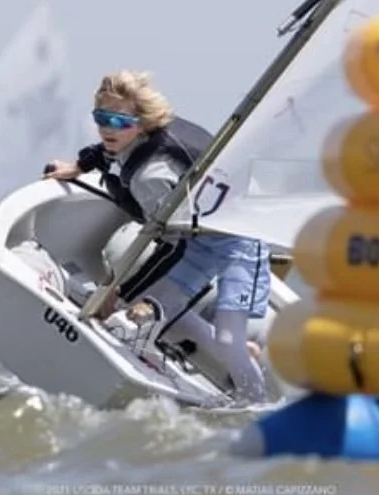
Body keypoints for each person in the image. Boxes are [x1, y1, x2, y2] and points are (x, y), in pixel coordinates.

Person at [44, 70, 270, 403]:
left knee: (227, 339)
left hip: (238, 239)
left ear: (142, 121)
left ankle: (256, 405)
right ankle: (235, 353)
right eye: (101, 118)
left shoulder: (151, 175)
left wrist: (116, 289)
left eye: (118, 121)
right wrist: (77, 167)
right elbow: (106, 150)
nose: (108, 129)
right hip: (198, 238)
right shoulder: (135, 137)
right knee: (155, 312)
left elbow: (172, 247)